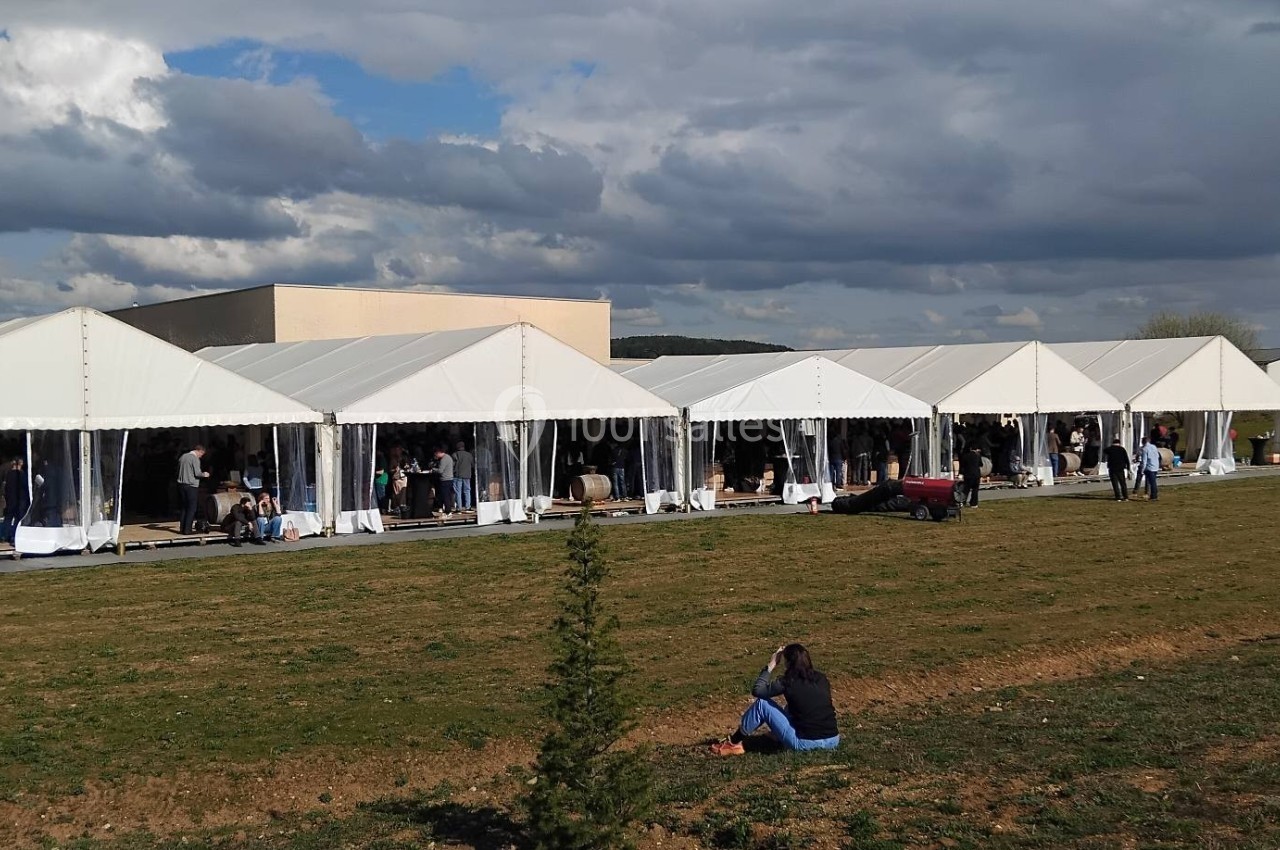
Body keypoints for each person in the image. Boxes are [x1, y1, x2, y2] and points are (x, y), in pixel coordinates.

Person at [711, 643, 840, 756]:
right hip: (833, 740)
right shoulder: (821, 678)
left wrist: (771, 665)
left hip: (806, 743)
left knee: (762, 704)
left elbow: (758, 691)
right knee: (793, 706)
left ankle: (734, 743)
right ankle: (776, 736)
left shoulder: (788, 681)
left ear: (788, 663)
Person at [177, 444, 209, 535]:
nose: (201, 456)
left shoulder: (183, 456)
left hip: (181, 484)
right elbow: (197, 473)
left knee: (184, 507)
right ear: (199, 451)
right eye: (202, 454)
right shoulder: (194, 459)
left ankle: (182, 528)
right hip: (191, 486)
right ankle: (187, 530)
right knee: (192, 508)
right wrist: (205, 474)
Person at [2, 457, 29, 544]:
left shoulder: (9, 474)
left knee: (8, 518)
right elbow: (25, 487)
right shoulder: (21, 474)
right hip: (19, 501)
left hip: (10, 500)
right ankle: (15, 536)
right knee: (18, 518)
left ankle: (4, 536)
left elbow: (6, 488)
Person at [1103, 437, 1131, 501]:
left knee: (1115, 483)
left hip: (1112, 468)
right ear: (1119, 443)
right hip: (1120, 468)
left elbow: (1105, 450)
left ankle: (1118, 497)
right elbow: (1126, 459)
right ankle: (1125, 496)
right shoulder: (1122, 449)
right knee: (1123, 483)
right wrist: (1128, 467)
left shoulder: (1110, 449)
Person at [432, 446, 455, 516]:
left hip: (445, 480)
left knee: (445, 496)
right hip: (450, 479)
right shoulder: (449, 457)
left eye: (436, 454)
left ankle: (448, 511)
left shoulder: (444, 459)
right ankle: (446, 509)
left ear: (438, 452)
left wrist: (433, 469)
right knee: (447, 495)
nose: (435, 455)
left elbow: (440, 471)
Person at [452, 441, 474, 512]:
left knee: (458, 491)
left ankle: (459, 507)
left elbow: (453, 465)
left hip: (457, 475)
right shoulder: (469, 455)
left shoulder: (455, 454)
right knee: (467, 490)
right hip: (467, 475)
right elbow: (472, 465)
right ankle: (468, 506)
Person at [1139, 436, 1161, 501]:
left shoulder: (1145, 449)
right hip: (1155, 466)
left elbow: (1144, 460)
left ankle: (1153, 496)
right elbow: (1157, 456)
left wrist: (1142, 470)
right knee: (1153, 481)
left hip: (1149, 467)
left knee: (1152, 482)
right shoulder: (1154, 447)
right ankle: (1153, 495)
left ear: (1143, 442)